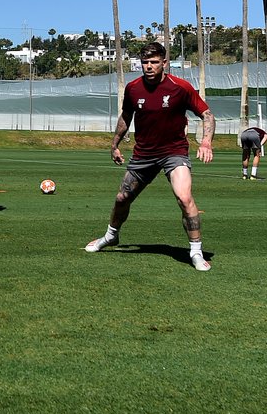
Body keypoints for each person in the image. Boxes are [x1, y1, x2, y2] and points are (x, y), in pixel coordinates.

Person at [84, 42, 215, 272]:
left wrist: (206, 142)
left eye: (154, 62)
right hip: (143, 154)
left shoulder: (180, 87)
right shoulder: (133, 88)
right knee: (122, 198)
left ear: (164, 63)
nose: (149, 66)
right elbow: (126, 116)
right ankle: (110, 236)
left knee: (184, 198)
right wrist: (114, 143)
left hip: (174, 153)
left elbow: (206, 114)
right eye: (145, 62)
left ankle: (195, 251)